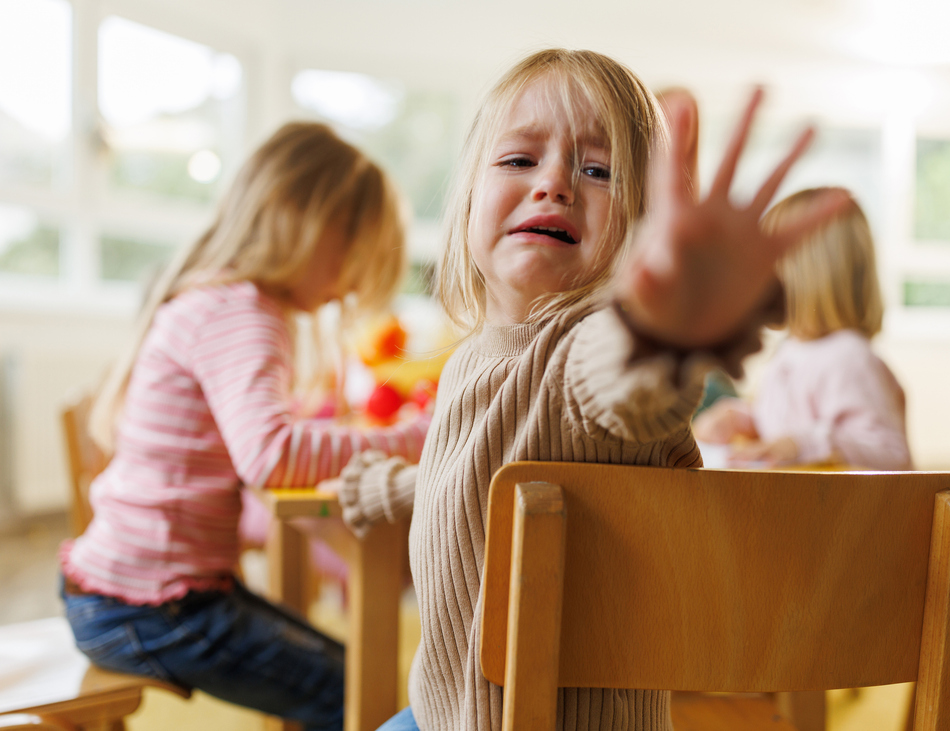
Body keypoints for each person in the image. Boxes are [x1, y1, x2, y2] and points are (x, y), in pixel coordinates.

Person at [337, 49, 848, 731]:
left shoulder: (589, 348)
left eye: (597, 170)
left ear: (640, 234)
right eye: (519, 160)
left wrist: (668, 322)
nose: (554, 183)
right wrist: (387, 489)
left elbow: (627, 380)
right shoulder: (473, 361)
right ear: (465, 203)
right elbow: (482, 474)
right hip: (446, 713)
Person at [59, 122, 431, 731]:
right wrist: (417, 438)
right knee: (352, 687)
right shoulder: (242, 310)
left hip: (128, 593)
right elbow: (273, 455)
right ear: (308, 225)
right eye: (352, 256)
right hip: (153, 606)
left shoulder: (222, 299)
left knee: (341, 668)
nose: (349, 285)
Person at [692, 188, 912, 470]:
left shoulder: (848, 357)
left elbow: (892, 454)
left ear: (806, 270)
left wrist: (802, 445)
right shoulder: (792, 348)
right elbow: (788, 422)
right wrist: (746, 419)